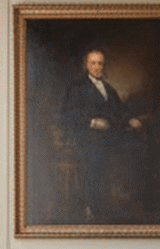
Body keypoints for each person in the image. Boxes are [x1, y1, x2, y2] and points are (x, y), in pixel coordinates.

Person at [58, 48, 145, 223]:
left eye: (100, 63)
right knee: (96, 159)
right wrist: (92, 122)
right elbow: (67, 114)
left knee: (136, 147)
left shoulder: (108, 89)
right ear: (87, 65)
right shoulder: (77, 87)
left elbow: (120, 111)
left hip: (108, 137)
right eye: (93, 63)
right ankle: (94, 207)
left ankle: (126, 200)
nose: (97, 67)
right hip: (86, 138)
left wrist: (131, 120)